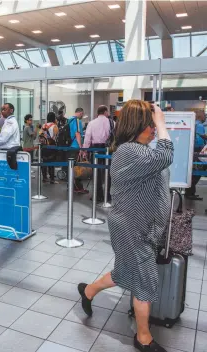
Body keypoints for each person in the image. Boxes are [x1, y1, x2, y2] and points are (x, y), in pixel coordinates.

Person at [78, 100, 173, 352]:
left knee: (124, 273)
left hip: (138, 226)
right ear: (135, 125)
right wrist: (163, 123)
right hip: (133, 228)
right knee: (145, 281)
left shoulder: (142, 151)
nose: (154, 129)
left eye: (155, 125)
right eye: (150, 125)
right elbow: (167, 155)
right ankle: (143, 337)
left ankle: (87, 292)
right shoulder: (130, 151)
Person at [82, 105, 114, 202]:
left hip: (95, 148)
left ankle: (98, 195)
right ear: (105, 112)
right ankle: (108, 195)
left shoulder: (92, 123)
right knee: (108, 172)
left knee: (96, 172)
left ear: (97, 113)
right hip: (108, 149)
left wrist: (84, 150)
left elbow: (87, 138)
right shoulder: (112, 123)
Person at [186, 111, 206, 201]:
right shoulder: (200, 126)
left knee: (192, 172)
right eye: (204, 115)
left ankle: (190, 192)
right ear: (200, 116)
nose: (205, 117)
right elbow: (201, 138)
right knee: (197, 172)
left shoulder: (193, 124)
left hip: (192, 150)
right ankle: (190, 193)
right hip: (198, 151)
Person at [68, 107, 88, 193]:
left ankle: (71, 186)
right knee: (77, 168)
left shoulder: (69, 120)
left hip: (70, 146)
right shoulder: (76, 121)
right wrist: (81, 148)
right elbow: (77, 134)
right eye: (82, 114)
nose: (82, 116)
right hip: (76, 146)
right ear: (80, 113)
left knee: (72, 167)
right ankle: (77, 188)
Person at [41, 112, 59, 184]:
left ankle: (44, 178)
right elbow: (56, 136)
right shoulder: (55, 126)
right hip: (52, 145)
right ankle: (52, 179)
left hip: (44, 146)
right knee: (51, 162)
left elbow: (41, 136)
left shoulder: (43, 125)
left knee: (44, 162)